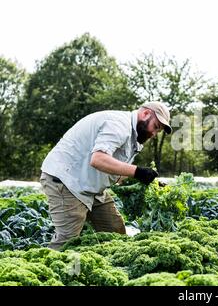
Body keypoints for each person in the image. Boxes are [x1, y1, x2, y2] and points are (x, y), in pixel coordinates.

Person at [40, 101, 172, 250]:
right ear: (146, 114)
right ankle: (42, 270)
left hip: (91, 186)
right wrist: (138, 171)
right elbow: (98, 159)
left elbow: (118, 172)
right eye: (155, 127)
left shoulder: (133, 137)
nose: (154, 134)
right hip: (67, 182)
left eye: (158, 131)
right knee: (67, 242)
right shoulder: (119, 125)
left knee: (115, 232)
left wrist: (152, 182)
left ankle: (116, 268)